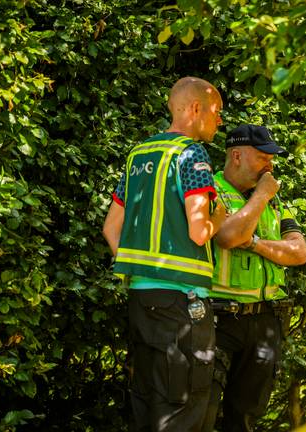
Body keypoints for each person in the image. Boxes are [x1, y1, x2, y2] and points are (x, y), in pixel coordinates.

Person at [102, 76, 227, 431]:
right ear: (195, 108)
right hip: (183, 303)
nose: (219, 122)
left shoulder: (138, 154)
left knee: (149, 404)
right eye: (217, 113)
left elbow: (111, 229)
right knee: (184, 406)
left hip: (141, 300)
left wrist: (142, 268)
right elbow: (199, 230)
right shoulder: (191, 154)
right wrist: (219, 216)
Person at [202, 124, 306, 432]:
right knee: (202, 414)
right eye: (262, 157)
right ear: (236, 155)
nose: (270, 166)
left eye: (271, 159)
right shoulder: (211, 189)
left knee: (245, 418)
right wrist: (260, 196)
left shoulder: (274, 201)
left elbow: (299, 252)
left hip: (265, 321)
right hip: (219, 319)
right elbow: (228, 236)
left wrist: (254, 243)